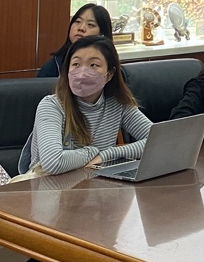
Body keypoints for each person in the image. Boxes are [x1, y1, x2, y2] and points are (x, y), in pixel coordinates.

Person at [23, 35, 152, 176]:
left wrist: (107, 155)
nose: (82, 74)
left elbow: (158, 141)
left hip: (96, 184)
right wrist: (93, 151)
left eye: (93, 65)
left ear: (110, 74)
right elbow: (53, 163)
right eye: (76, 64)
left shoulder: (118, 104)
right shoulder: (51, 106)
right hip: (50, 185)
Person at [38, 3, 113, 77]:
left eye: (90, 24)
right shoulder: (53, 66)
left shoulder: (110, 66)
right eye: (78, 21)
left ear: (102, 34)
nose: (81, 28)